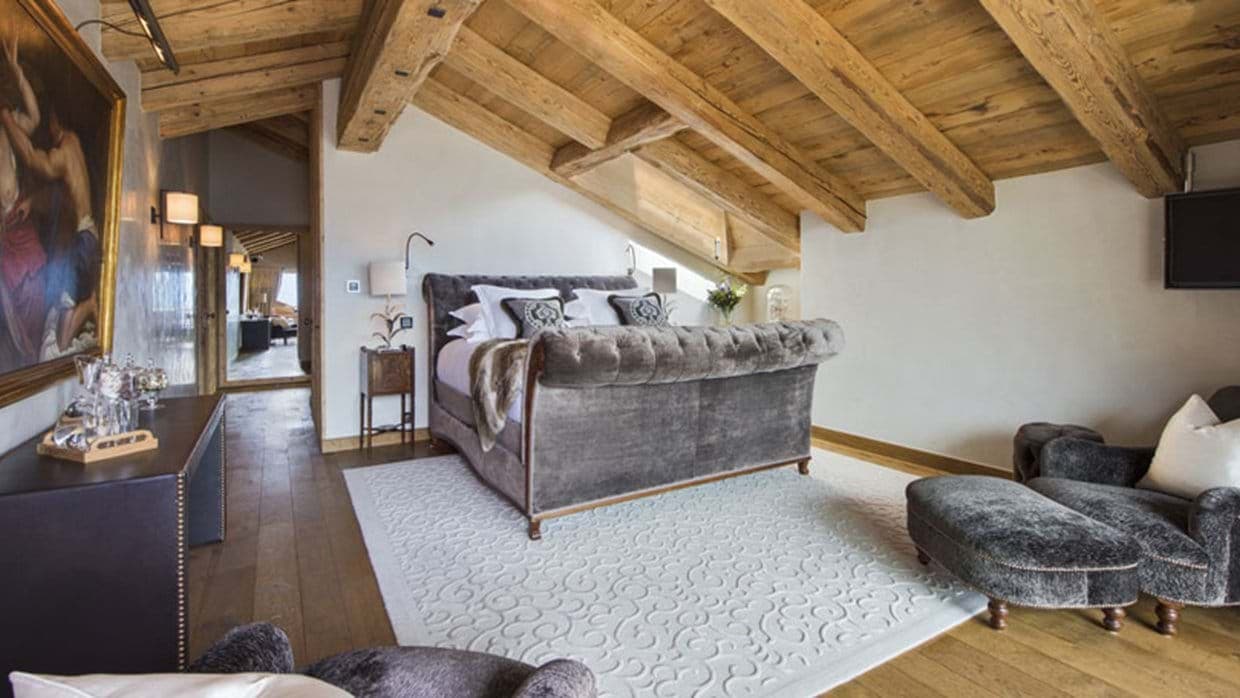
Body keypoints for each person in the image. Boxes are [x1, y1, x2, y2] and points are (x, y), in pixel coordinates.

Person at [0, 49, 99, 357]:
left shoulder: (62, 152)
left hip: (81, 239)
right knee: (57, 309)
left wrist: (5, 115)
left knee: (61, 312)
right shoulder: (73, 144)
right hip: (82, 236)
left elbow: (31, 151)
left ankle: (92, 307)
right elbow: (57, 190)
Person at [0, 35, 47, 368]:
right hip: (3, 230)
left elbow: (35, 116)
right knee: (10, 300)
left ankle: (31, 358)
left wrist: (17, 71)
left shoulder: (8, 126)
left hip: (18, 220)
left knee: (35, 283)